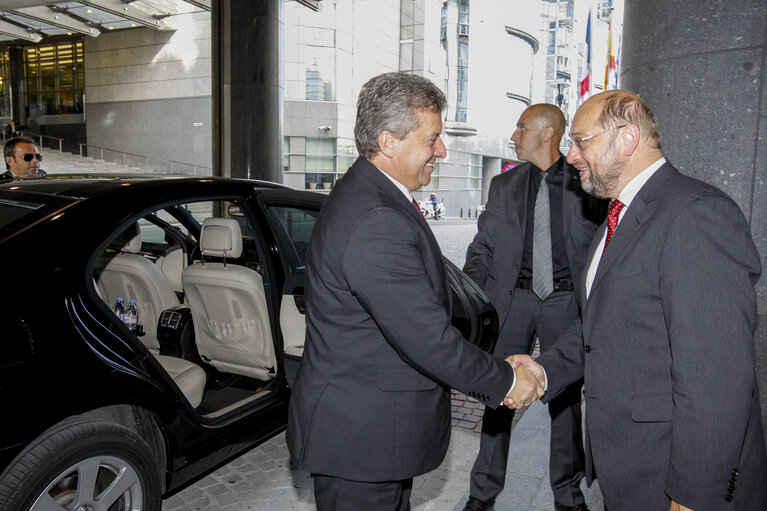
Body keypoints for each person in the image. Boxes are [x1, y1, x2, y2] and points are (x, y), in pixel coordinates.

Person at [286, 72, 543, 511]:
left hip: (372, 436)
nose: (441, 150)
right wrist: (505, 380)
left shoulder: (370, 194)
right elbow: (427, 340)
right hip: (361, 441)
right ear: (389, 142)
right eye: (432, 139)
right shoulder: (375, 219)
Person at [513, 90, 767, 510]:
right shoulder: (620, 215)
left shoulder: (695, 214)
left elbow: (716, 380)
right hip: (630, 468)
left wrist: (691, 497)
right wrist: (544, 370)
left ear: (627, 139)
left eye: (581, 141)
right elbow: (602, 326)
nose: (571, 155)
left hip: (674, 478)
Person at [461, 104, 605, 511]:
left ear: (547, 133)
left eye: (522, 127)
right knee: (498, 393)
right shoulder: (504, 186)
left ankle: (568, 496)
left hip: (564, 302)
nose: (513, 134)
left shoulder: (586, 184)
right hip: (515, 299)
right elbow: (483, 245)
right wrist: (472, 295)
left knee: (564, 399)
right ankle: (482, 494)